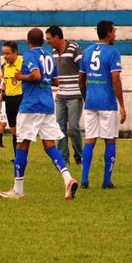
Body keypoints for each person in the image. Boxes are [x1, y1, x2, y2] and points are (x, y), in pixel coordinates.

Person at [0, 28, 78, 201]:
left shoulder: (29, 55)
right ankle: (67, 178)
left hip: (31, 106)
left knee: (21, 145)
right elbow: (55, 81)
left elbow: (35, 75)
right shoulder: (49, 56)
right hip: (47, 105)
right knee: (50, 145)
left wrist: (20, 76)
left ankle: (18, 190)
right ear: (43, 40)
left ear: (28, 41)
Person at [79, 20, 126, 189]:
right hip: (107, 103)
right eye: (114, 31)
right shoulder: (113, 53)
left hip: (91, 102)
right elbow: (116, 80)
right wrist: (122, 105)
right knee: (110, 141)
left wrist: (86, 97)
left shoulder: (87, 51)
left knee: (90, 140)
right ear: (107, 33)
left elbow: (81, 79)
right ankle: (106, 181)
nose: (115, 34)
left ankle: (84, 179)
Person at [46, 26, 83, 166]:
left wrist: (84, 90)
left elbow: (83, 68)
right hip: (61, 95)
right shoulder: (53, 52)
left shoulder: (74, 48)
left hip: (75, 94)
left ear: (56, 37)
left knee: (73, 127)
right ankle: (63, 158)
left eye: (49, 38)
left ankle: (79, 157)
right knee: (59, 128)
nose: (47, 41)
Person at [0, 41, 23, 158]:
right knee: (13, 130)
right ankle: (17, 156)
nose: (5, 56)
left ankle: (22, 156)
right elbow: (4, 85)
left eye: (7, 53)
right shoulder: (5, 67)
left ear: (15, 52)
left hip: (21, 99)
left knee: (21, 130)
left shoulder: (23, 64)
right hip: (9, 101)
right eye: (4, 54)